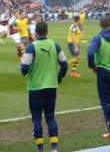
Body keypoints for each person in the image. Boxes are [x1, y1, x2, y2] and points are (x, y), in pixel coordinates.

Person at [21, 21, 68, 152]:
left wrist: (28, 72)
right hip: (51, 86)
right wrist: (58, 78)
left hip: (35, 87)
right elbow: (64, 65)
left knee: (36, 118)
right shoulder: (55, 46)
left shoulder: (31, 47)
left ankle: (40, 148)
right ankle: (54, 147)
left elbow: (24, 68)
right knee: (50, 116)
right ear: (47, 31)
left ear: (35, 33)